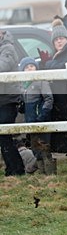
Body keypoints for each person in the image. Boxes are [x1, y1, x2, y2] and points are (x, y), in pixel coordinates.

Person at [19, 56, 55, 173]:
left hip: (41, 119)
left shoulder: (41, 81)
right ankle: (41, 172)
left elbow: (48, 99)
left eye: (32, 66)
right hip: (30, 119)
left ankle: (50, 173)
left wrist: (42, 114)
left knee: (44, 147)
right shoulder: (23, 85)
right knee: (35, 148)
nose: (30, 69)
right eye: (27, 67)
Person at [0, 28, 25, 176]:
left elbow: (3, 67)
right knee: (3, 135)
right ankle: (12, 169)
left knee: (4, 134)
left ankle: (16, 169)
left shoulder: (8, 48)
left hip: (8, 98)